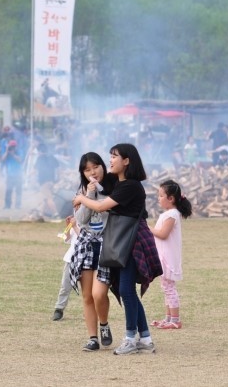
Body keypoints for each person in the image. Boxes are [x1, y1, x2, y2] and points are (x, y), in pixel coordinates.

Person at [73, 143, 162, 356]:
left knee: (125, 290)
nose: (110, 160)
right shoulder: (120, 184)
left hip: (131, 241)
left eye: (114, 156)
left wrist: (81, 198)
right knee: (127, 290)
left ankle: (131, 338)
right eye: (110, 156)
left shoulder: (130, 185)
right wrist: (90, 191)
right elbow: (88, 212)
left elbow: (102, 207)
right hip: (123, 241)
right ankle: (146, 339)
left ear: (127, 161)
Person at [68, 152, 115, 352]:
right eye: (87, 170)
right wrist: (88, 195)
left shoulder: (114, 188)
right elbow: (82, 219)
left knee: (99, 293)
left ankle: (104, 324)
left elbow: (112, 214)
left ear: (103, 166)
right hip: (86, 245)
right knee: (87, 295)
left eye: (95, 167)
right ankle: (93, 337)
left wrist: (95, 197)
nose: (92, 172)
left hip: (106, 244)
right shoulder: (83, 191)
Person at [150, 179, 191, 329]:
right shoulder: (169, 214)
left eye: (161, 196)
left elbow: (163, 234)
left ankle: (175, 319)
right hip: (163, 256)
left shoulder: (172, 214)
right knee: (166, 287)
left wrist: (147, 228)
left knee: (169, 288)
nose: (158, 198)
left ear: (171, 198)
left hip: (167, 258)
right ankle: (168, 318)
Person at [52, 216, 77, 322]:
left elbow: (85, 237)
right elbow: (67, 239)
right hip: (70, 258)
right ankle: (59, 309)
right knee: (65, 286)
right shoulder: (76, 220)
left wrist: (75, 225)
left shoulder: (90, 221)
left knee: (88, 290)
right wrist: (68, 226)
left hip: (87, 260)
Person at [35, 144, 60, 219]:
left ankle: (56, 214)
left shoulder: (40, 159)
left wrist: (30, 177)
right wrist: (57, 179)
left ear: (40, 151)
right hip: (51, 182)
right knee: (45, 199)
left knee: (49, 198)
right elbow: (58, 168)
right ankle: (40, 214)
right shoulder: (52, 157)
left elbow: (35, 170)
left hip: (44, 182)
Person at [1, 139, 23, 210]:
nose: (12, 148)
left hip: (18, 174)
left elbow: (20, 160)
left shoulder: (19, 151)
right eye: (11, 146)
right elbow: (2, 159)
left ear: (16, 146)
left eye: (13, 147)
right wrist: (7, 152)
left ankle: (18, 205)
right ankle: (7, 205)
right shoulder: (7, 153)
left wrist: (13, 154)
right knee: (8, 190)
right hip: (10, 175)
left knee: (18, 191)